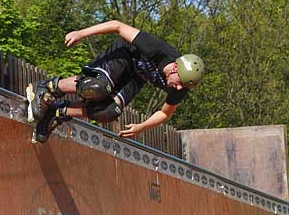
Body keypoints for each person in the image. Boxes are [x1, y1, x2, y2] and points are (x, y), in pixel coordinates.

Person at [27, 20, 204, 143]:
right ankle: (48, 87)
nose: (178, 88)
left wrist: (141, 127)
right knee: (97, 88)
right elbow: (117, 26)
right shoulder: (158, 50)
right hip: (124, 55)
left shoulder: (182, 87)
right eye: (179, 82)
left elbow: (165, 114)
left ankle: (59, 112)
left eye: (183, 86)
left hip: (137, 77)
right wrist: (81, 33)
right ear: (174, 67)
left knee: (109, 112)